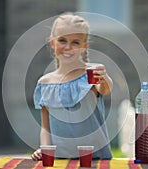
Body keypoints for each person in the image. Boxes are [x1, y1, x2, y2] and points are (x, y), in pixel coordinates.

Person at [31, 13, 113, 160]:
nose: (68, 47)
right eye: (62, 40)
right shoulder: (45, 83)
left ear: (84, 46)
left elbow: (106, 89)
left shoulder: (91, 74)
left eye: (75, 42)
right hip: (59, 160)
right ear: (52, 42)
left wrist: (104, 76)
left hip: (94, 160)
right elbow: (45, 127)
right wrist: (44, 149)